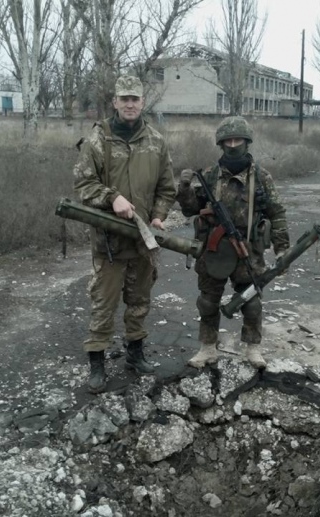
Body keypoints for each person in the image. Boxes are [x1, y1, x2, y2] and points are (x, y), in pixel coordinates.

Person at [73, 75, 176, 393]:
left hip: (143, 241)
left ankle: (135, 353)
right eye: (124, 99)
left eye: (135, 99)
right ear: (115, 102)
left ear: (143, 102)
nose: (130, 104)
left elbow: (166, 188)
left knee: (139, 300)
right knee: (103, 303)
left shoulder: (156, 141)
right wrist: (111, 197)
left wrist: (158, 216)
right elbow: (83, 184)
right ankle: (97, 363)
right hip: (110, 241)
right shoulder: (98, 139)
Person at [176, 116, 290, 369]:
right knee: (208, 301)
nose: (233, 145)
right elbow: (190, 209)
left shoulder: (261, 177)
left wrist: (282, 248)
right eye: (228, 141)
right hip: (214, 249)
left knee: (251, 301)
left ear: (247, 142)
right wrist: (184, 188)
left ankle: (252, 348)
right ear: (221, 144)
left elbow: (277, 213)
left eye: (238, 140)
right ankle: (207, 347)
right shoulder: (210, 175)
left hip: (248, 249)